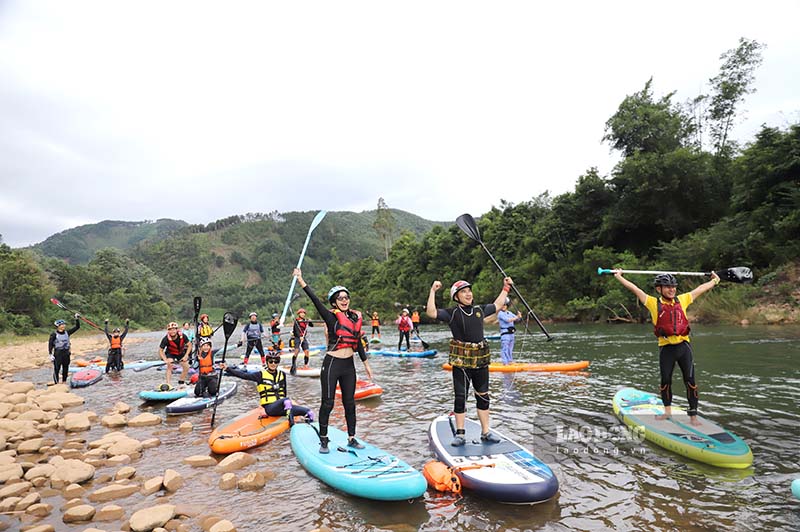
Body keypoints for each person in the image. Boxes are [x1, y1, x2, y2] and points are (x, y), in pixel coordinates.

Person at [613, 270, 721, 426]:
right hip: (666, 349)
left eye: (673, 286)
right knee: (665, 381)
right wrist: (619, 276)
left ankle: (693, 416)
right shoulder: (652, 303)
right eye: (668, 287)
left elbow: (700, 289)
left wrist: (715, 281)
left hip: (684, 347)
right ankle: (667, 411)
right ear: (659, 289)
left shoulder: (682, 300)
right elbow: (634, 289)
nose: (672, 289)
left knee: (690, 381)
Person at [293, 267, 374, 453]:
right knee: (328, 403)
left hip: (349, 366)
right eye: (340, 298)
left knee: (350, 403)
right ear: (334, 302)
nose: (344, 300)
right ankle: (323, 439)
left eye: (346, 297)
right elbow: (314, 300)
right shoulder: (331, 317)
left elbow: (357, 342)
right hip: (332, 364)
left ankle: (352, 438)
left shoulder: (354, 318)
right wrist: (301, 280)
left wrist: (366, 364)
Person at [426, 277, 512, 446]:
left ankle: (486, 432)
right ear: (456, 297)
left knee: (483, 396)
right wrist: (432, 291)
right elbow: (431, 312)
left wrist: (506, 287)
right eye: (463, 292)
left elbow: (497, 304)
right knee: (460, 397)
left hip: (480, 362)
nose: (468, 294)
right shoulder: (452, 313)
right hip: (461, 362)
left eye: (469, 291)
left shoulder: (479, 310)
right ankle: (460, 434)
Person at [222, 352, 313, 425]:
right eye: (271, 361)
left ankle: (307, 428)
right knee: (287, 400)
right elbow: (244, 375)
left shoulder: (282, 375)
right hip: (269, 408)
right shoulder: (260, 375)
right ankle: (291, 422)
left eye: (276, 361)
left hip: (283, 407)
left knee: (309, 412)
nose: (273, 364)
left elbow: (284, 392)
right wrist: (228, 369)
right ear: (267, 362)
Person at [158, 321, 192, 388]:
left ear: (177, 330)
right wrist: (165, 360)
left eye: (173, 329)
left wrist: (186, 355)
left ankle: (181, 382)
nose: (172, 331)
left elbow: (189, 345)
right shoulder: (165, 339)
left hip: (180, 352)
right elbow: (160, 350)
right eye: (170, 330)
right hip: (170, 353)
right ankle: (168, 384)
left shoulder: (183, 336)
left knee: (186, 366)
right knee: (170, 365)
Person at [48, 315, 80, 384]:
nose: (64, 326)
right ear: (58, 326)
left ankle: (64, 382)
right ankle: (56, 383)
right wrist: (50, 354)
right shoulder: (54, 334)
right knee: (57, 368)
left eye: (64, 324)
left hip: (66, 352)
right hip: (58, 353)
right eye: (62, 325)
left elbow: (77, 327)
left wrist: (77, 319)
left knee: (66, 367)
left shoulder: (67, 333)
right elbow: (50, 344)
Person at [496, 299, 523, 365]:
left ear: (506, 306)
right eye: (502, 305)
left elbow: (517, 319)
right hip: (505, 333)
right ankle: (505, 362)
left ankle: (510, 361)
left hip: (511, 333)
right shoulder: (500, 314)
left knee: (510, 348)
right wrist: (517, 317)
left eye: (505, 305)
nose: (503, 306)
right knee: (505, 348)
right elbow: (508, 320)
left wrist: (519, 316)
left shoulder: (509, 313)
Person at [290, 308, 315, 375]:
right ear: (299, 314)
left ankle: (306, 365)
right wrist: (299, 336)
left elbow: (312, 326)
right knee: (297, 351)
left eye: (304, 313)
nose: (303, 314)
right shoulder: (296, 321)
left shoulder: (305, 320)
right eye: (301, 313)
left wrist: (310, 321)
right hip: (297, 338)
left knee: (307, 351)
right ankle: (293, 365)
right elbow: (296, 330)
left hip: (303, 337)